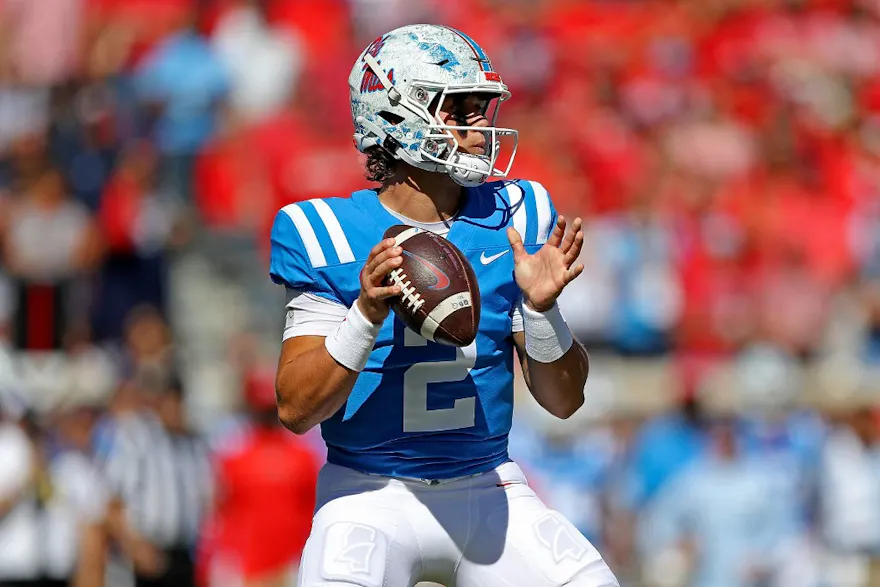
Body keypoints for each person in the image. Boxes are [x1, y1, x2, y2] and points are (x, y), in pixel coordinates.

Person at [269, 24, 618, 587]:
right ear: (396, 114)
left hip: (487, 482)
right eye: (462, 106)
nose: (483, 123)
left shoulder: (517, 217)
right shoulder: (326, 232)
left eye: (484, 105)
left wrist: (542, 311)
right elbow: (295, 409)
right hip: (369, 490)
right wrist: (365, 313)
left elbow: (563, 401)